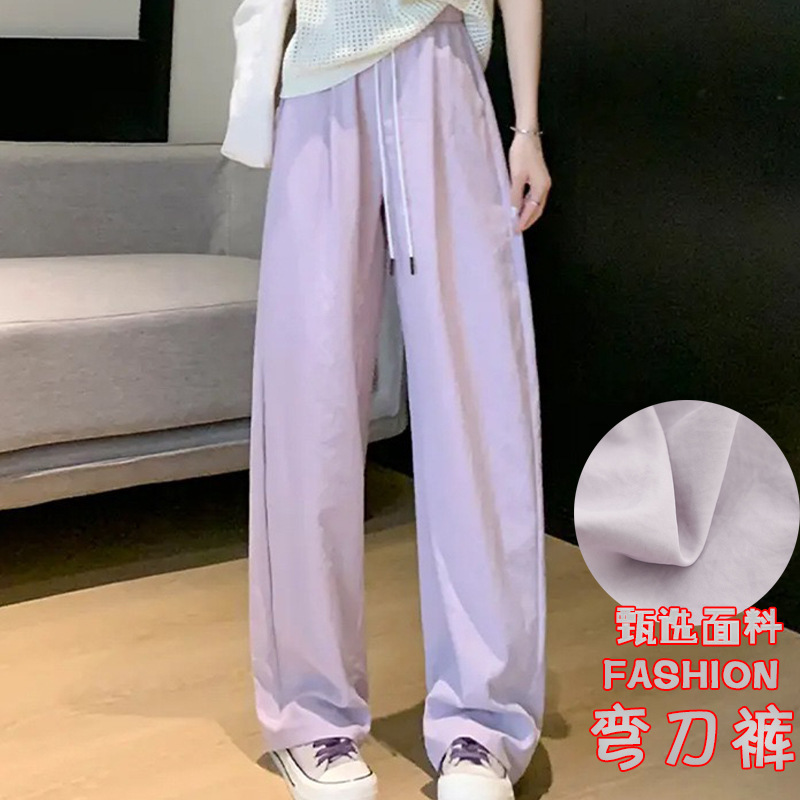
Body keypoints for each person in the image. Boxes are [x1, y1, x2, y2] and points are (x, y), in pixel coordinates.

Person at [221, 2, 550, 799]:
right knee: (309, 403)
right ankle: (311, 713)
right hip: (321, 78)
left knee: (479, 400)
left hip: (444, 66)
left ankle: (483, 719)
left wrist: (527, 127)